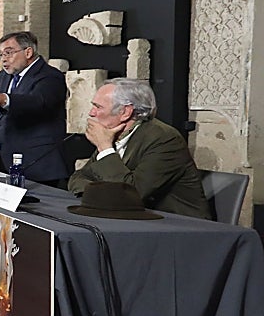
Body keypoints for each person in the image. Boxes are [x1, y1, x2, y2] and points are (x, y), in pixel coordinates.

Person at [67, 78, 210, 219]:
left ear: (125, 112)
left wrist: (104, 147)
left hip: (179, 226)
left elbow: (131, 194)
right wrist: (102, 193)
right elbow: (78, 178)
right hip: (131, 218)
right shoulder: (115, 135)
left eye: (98, 107)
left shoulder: (164, 139)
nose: (91, 113)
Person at [0, 31, 68, 186]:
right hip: (0, 160)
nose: (4, 58)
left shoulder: (50, 76)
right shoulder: (3, 76)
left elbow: (39, 102)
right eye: (1, 54)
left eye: (9, 53)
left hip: (36, 164)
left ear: (28, 52)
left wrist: (4, 99)